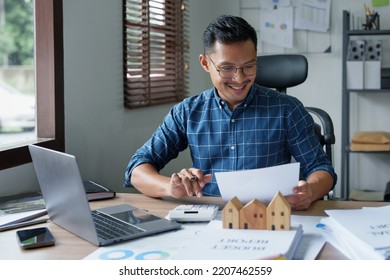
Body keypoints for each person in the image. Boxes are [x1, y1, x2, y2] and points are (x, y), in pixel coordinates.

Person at [124, 15, 337, 210]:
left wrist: (310, 191)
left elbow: (322, 169)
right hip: (210, 219)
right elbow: (137, 169)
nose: (239, 78)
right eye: (227, 68)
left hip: (271, 216)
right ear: (206, 63)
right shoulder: (187, 112)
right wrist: (171, 188)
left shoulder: (287, 110)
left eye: (248, 66)